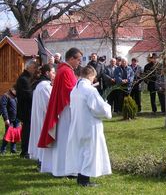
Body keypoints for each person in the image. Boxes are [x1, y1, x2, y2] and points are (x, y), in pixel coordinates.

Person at [38, 47, 82, 177]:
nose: (79, 62)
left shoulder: (63, 70)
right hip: (67, 110)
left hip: (64, 110)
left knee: (64, 141)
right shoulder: (66, 71)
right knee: (66, 141)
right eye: (78, 60)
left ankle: (62, 169)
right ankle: (65, 169)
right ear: (71, 58)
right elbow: (70, 92)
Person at [66, 66, 112, 187]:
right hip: (89, 124)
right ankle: (84, 180)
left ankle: (81, 177)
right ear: (91, 75)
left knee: (81, 151)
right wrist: (107, 107)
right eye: (93, 77)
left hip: (78, 124)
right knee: (90, 151)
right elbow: (99, 109)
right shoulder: (90, 90)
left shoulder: (75, 89)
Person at [28, 64, 55, 164]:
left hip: (40, 115)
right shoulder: (45, 86)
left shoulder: (41, 85)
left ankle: (41, 159)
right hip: (43, 116)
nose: (54, 74)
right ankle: (42, 161)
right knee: (42, 137)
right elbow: (48, 104)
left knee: (39, 136)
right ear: (47, 73)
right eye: (53, 72)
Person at [16, 59, 39, 158]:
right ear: (28, 67)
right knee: (27, 130)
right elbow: (28, 95)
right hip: (26, 109)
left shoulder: (28, 77)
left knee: (29, 129)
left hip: (27, 108)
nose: (35, 70)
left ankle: (27, 150)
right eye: (34, 68)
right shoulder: (24, 79)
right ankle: (25, 151)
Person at [0, 87, 18, 154]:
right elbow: (3, 108)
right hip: (9, 119)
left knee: (15, 134)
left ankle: (13, 149)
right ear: (12, 90)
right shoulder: (5, 96)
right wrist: (6, 118)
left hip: (16, 119)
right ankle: (3, 149)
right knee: (8, 134)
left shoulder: (16, 97)